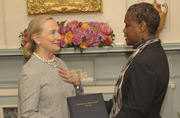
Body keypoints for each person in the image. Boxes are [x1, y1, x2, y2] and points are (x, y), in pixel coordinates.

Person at [105, 2, 169, 118]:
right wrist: (92, 105)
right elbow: (124, 99)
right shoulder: (153, 50)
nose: (124, 30)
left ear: (142, 26)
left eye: (127, 25)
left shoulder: (145, 61)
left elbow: (135, 111)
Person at [18, 15, 83, 118]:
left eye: (58, 32)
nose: (59, 37)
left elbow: (74, 103)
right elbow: (28, 114)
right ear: (36, 38)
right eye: (52, 33)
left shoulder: (60, 63)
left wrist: (77, 82)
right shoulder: (30, 71)